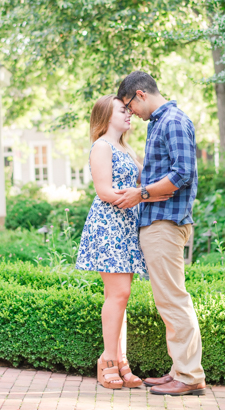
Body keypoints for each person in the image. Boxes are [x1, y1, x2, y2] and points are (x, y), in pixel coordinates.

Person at [112, 71, 206, 396]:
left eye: (128, 105)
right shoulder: (159, 123)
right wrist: (149, 191)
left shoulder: (174, 121)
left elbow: (183, 172)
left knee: (174, 299)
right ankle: (179, 369)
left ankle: (190, 376)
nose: (130, 114)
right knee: (167, 299)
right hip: (157, 221)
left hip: (166, 223)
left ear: (139, 94)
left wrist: (142, 193)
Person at [74, 94, 171, 390]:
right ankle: (107, 360)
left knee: (120, 297)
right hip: (109, 226)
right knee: (119, 294)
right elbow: (104, 191)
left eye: (129, 110)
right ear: (106, 116)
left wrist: (155, 191)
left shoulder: (125, 148)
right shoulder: (102, 146)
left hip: (126, 225)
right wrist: (140, 196)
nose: (129, 114)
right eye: (122, 110)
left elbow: (144, 184)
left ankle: (121, 359)